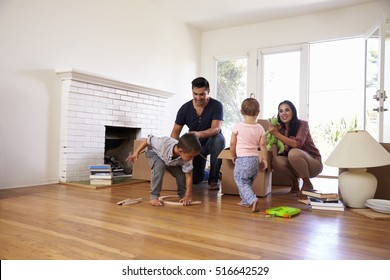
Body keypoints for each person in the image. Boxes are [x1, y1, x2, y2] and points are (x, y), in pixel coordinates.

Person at [170, 77, 225, 190]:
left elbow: (216, 129)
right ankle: (208, 173)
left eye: (202, 94)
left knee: (219, 139)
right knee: (195, 180)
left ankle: (213, 179)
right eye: (195, 94)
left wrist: (198, 134)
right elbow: (175, 133)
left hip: (212, 142)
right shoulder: (185, 109)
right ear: (192, 92)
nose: (198, 98)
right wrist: (178, 151)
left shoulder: (216, 105)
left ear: (208, 92)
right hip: (195, 147)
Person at [127, 133, 201, 206]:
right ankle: (154, 196)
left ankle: (183, 195)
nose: (192, 158)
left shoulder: (185, 157)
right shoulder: (163, 143)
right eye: (191, 156)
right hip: (154, 153)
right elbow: (148, 140)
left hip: (169, 160)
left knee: (181, 173)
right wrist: (136, 153)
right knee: (160, 167)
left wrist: (188, 195)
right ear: (181, 151)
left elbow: (188, 175)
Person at [268, 100, 323, 193]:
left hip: (313, 163)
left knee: (294, 153)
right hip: (295, 164)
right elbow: (281, 154)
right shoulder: (281, 129)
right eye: (280, 111)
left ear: (293, 112)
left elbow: (297, 144)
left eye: (287, 110)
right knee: (276, 160)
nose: (283, 113)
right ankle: (295, 182)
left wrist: (277, 134)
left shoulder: (302, 124)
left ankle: (307, 183)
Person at [230, 98, 268, 212]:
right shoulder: (260, 128)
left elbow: (232, 143)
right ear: (258, 112)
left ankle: (252, 199)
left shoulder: (238, 126)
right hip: (255, 160)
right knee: (247, 182)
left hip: (242, 159)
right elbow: (263, 146)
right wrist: (265, 160)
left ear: (241, 111)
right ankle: (246, 201)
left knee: (240, 181)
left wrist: (233, 155)